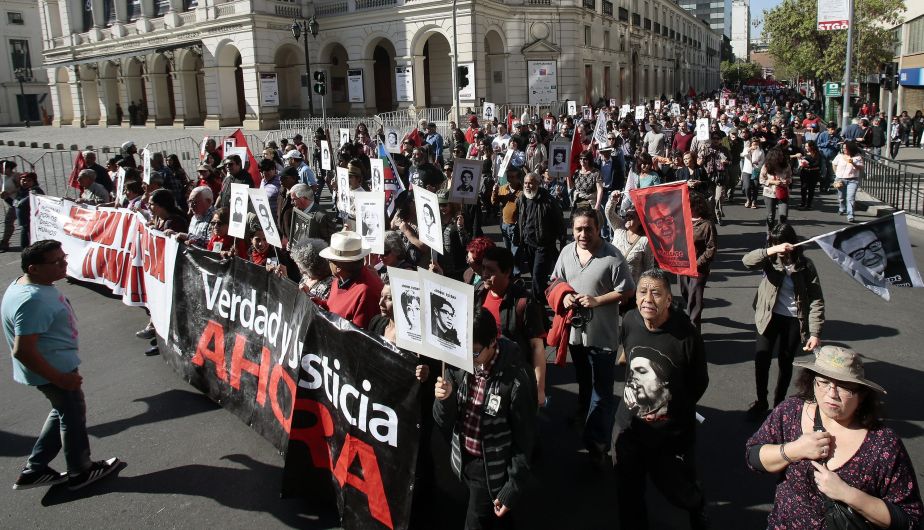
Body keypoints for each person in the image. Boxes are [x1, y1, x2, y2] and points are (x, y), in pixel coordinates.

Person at [745, 346, 923, 528]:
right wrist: (793, 450)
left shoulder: (883, 444)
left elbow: (910, 519)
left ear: (861, 394)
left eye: (844, 386)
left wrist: (848, 494)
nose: (832, 394)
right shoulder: (791, 411)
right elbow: (753, 457)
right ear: (812, 382)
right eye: (823, 382)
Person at [2, 240, 120, 491]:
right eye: (56, 262)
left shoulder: (27, 286)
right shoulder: (32, 300)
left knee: (63, 411)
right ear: (33, 269)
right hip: (54, 371)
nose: (64, 264)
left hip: (54, 368)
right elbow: (23, 350)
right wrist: (60, 377)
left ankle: (35, 469)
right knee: (72, 415)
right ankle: (81, 470)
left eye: (64, 258)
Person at [615, 267, 709, 530]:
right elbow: (628, 356)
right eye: (642, 292)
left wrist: (672, 408)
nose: (648, 299)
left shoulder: (686, 335)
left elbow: (698, 382)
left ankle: (697, 507)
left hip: (669, 435)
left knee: (679, 492)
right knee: (628, 492)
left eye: (656, 293)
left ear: (669, 299)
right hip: (629, 426)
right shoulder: (631, 320)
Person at [433, 308, 537, 530]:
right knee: (495, 514)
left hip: (490, 466)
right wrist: (445, 399)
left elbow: (525, 440)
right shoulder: (457, 365)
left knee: (475, 522)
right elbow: (443, 421)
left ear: (493, 342)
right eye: (464, 350)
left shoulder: (516, 379)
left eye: (475, 353)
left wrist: (513, 487)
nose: (468, 359)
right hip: (462, 460)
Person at [550, 207, 635, 465]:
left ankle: (598, 443)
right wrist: (564, 295)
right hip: (575, 335)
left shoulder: (613, 256)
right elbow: (555, 280)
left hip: (603, 336)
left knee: (602, 390)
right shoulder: (566, 252)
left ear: (598, 228)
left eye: (588, 228)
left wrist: (597, 300)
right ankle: (585, 415)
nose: (583, 234)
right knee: (585, 382)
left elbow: (627, 290)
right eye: (578, 229)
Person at [743, 223, 824, 420]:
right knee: (762, 360)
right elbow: (746, 261)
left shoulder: (805, 265)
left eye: (781, 244)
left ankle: (779, 404)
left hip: (793, 320)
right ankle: (761, 401)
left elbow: (816, 299)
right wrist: (772, 249)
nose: (780, 249)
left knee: (785, 361)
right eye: (774, 243)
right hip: (768, 317)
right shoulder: (769, 259)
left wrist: (815, 332)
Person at [477, 246, 548, 406]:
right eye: (483, 268)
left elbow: (537, 347)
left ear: (507, 272)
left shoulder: (524, 303)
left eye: (491, 270)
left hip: (512, 379)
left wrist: (539, 389)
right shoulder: (479, 294)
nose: (484, 274)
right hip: (483, 376)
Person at [316, 230, 383, 329]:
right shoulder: (339, 279)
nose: (328, 263)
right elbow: (333, 308)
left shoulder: (365, 292)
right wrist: (314, 302)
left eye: (329, 260)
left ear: (338, 267)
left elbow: (358, 336)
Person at [516, 171, 565, 302]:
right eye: (525, 183)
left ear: (538, 183)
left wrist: (562, 244)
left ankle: (535, 304)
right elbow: (520, 219)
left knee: (538, 276)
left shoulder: (549, 201)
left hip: (543, 246)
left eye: (531, 183)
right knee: (536, 276)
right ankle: (543, 299)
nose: (527, 186)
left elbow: (559, 223)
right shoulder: (522, 199)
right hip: (528, 244)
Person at [678, 193, 717, 331]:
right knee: (685, 293)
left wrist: (698, 263)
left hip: (698, 269)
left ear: (696, 206)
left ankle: (694, 331)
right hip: (683, 266)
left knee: (694, 299)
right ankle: (695, 308)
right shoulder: (683, 220)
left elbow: (711, 248)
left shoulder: (706, 225)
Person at [759, 147, 792, 231]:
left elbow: (790, 177)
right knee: (770, 216)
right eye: (779, 156)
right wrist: (773, 182)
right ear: (773, 157)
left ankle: (780, 235)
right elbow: (761, 180)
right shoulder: (766, 166)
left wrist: (787, 181)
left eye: (782, 155)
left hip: (783, 192)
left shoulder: (786, 165)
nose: (781, 157)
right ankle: (769, 235)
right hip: (769, 193)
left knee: (783, 216)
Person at [832, 141, 864, 223]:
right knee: (841, 196)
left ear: (851, 148)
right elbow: (834, 164)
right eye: (843, 148)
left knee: (850, 198)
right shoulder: (839, 156)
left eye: (846, 148)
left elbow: (861, 168)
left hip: (852, 180)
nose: (844, 149)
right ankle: (842, 208)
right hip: (840, 179)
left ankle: (850, 215)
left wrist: (853, 163)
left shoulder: (857, 157)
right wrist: (836, 174)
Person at [12, 172, 44, 249]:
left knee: (29, 245)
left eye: (29, 180)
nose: (25, 182)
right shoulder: (22, 191)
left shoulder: (35, 191)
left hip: (32, 224)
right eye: (23, 180)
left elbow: (22, 203)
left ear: (34, 182)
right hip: (24, 225)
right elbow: (15, 203)